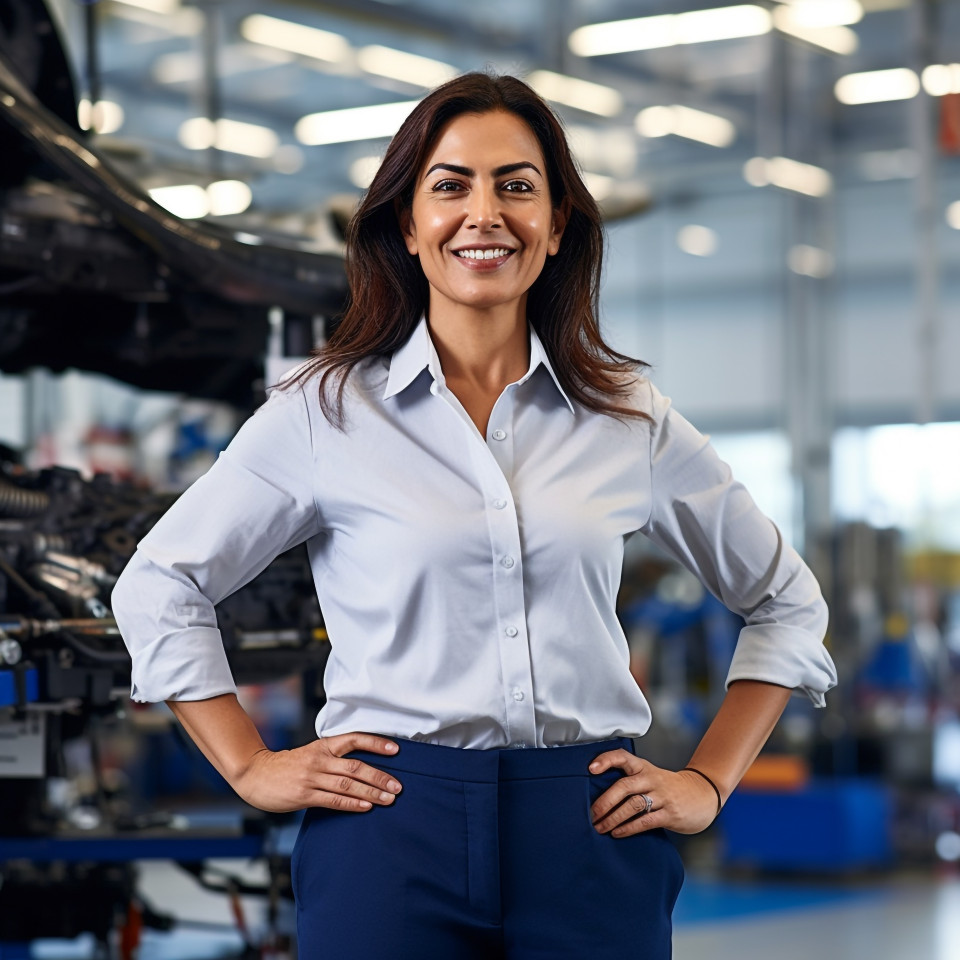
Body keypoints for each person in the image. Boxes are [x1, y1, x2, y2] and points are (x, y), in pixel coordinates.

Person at [111, 72, 837, 958]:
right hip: (387, 830)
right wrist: (248, 765)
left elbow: (786, 603)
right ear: (408, 226)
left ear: (557, 224)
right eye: (450, 185)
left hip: (589, 834)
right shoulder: (324, 412)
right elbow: (160, 581)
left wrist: (710, 781)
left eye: (517, 185)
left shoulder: (627, 417)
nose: (484, 213)